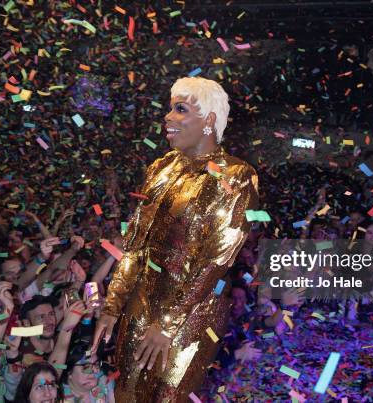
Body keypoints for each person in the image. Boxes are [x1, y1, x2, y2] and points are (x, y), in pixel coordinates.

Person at [93, 76, 259, 402]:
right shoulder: (161, 168)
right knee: (126, 395)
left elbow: (217, 260)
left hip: (193, 315)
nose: (168, 117)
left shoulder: (237, 175)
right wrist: (113, 305)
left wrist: (168, 323)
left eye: (180, 109)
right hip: (141, 305)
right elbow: (136, 243)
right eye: (170, 109)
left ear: (209, 120)